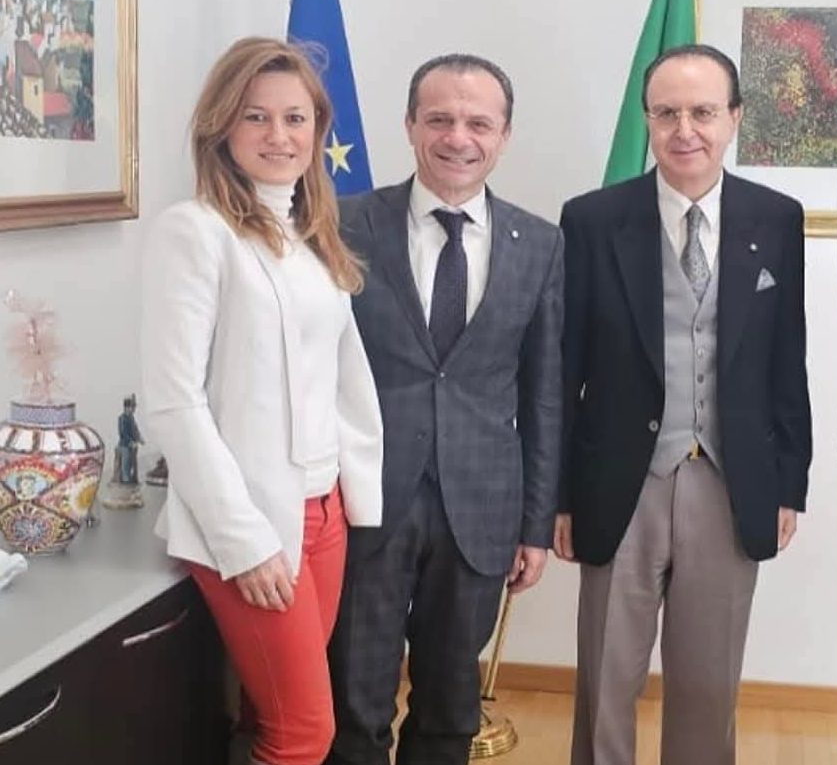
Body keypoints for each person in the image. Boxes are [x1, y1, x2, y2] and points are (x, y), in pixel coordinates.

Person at [557, 43, 812, 765]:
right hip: (619, 480)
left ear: (734, 118)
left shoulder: (775, 217)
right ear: (647, 119)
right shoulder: (592, 219)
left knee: (708, 685)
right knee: (607, 680)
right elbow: (563, 368)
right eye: (666, 113)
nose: (684, 130)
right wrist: (558, 496)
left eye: (702, 111)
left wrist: (788, 482)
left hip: (730, 481)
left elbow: (785, 359)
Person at [140, 37, 384, 765]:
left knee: (267, 713)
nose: (279, 135)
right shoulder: (194, 232)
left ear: (317, 129)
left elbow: (341, 382)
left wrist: (351, 497)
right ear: (222, 126)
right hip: (250, 520)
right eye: (256, 116)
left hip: (324, 513)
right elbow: (174, 403)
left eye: (295, 118)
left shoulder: (312, 238)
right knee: (304, 732)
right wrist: (243, 539)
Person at [327, 54, 563, 765]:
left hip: (481, 509)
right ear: (409, 125)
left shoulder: (539, 243)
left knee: (449, 709)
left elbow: (543, 393)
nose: (458, 137)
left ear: (504, 135)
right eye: (439, 119)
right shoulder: (342, 224)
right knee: (354, 704)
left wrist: (536, 525)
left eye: (478, 123)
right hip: (366, 500)